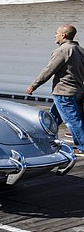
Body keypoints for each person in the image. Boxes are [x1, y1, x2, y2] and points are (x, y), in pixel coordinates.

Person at [26, 23, 84, 154]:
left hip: (64, 92)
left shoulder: (62, 51)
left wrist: (33, 85)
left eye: (56, 33)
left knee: (72, 120)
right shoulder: (80, 50)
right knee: (53, 118)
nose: (55, 35)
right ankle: (42, 140)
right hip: (77, 91)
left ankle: (82, 147)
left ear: (63, 35)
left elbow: (48, 70)